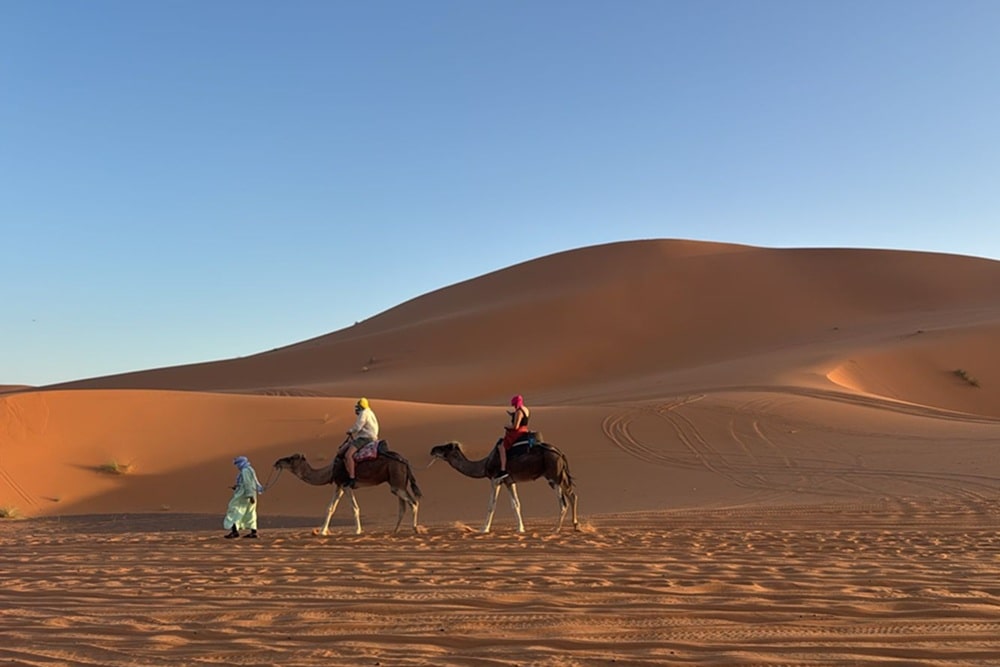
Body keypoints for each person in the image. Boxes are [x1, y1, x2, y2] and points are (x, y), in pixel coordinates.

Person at [338, 397, 379, 489]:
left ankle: (352, 478)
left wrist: (350, 431)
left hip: (365, 438)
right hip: (372, 437)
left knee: (348, 455)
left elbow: (358, 426)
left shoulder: (363, 413)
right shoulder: (370, 412)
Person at [224, 455, 264, 539]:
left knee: (234, 510)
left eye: (237, 463)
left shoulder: (245, 471)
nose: (237, 466)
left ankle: (235, 532)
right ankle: (253, 532)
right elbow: (254, 481)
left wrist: (249, 495)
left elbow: (248, 483)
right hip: (250, 494)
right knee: (250, 512)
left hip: (244, 495)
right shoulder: (249, 469)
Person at [495, 394, 531, 481]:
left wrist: (506, 426)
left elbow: (515, 426)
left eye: (514, 404)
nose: (514, 406)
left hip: (519, 432)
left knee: (502, 446)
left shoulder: (519, 412)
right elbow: (524, 421)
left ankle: (503, 470)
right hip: (525, 430)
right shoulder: (526, 409)